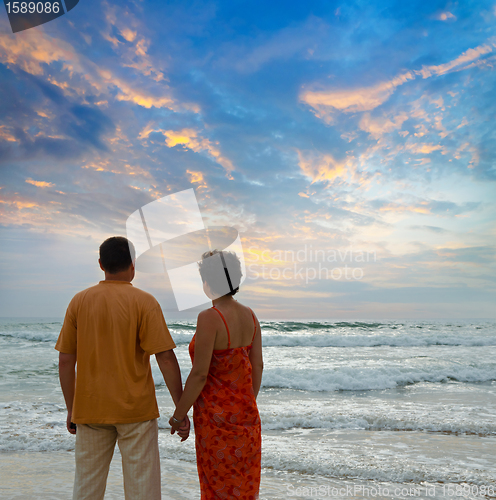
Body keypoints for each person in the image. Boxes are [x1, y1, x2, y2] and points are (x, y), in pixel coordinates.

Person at [55, 236, 189, 500]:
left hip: (90, 409)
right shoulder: (144, 302)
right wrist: (180, 409)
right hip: (135, 410)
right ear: (133, 265)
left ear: (101, 264)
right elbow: (164, 357)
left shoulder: (79, 301)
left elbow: (66, 360)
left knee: (86, 488)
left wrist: (72, 408)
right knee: (143, 490)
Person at [169, 249, 263, 500]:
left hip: (215, 419)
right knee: (243, 488)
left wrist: (179, 415)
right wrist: (244, 402)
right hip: (247, 416)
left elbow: (200, 374)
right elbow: (258, 367)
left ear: (207, 283)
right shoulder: (251, 316)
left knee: (217, 487)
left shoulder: (210, 318)